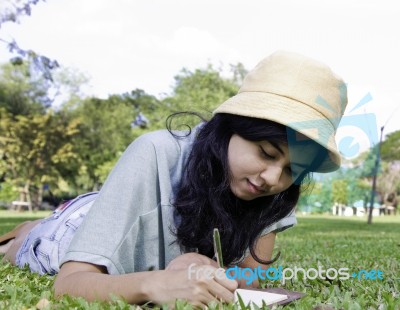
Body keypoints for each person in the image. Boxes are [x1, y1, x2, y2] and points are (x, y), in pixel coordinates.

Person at [0, 50, 347, 307]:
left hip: (121, 214)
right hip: (72, 229)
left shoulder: (271, 188)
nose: (273, 177)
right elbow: (69, 284)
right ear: (230, 129)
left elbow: (254, 277)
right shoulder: (153, 151)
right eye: (266, 153)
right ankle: (23, 231)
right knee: (29, 244)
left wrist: (201, 267)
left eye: (292, 170)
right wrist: (157, 283)